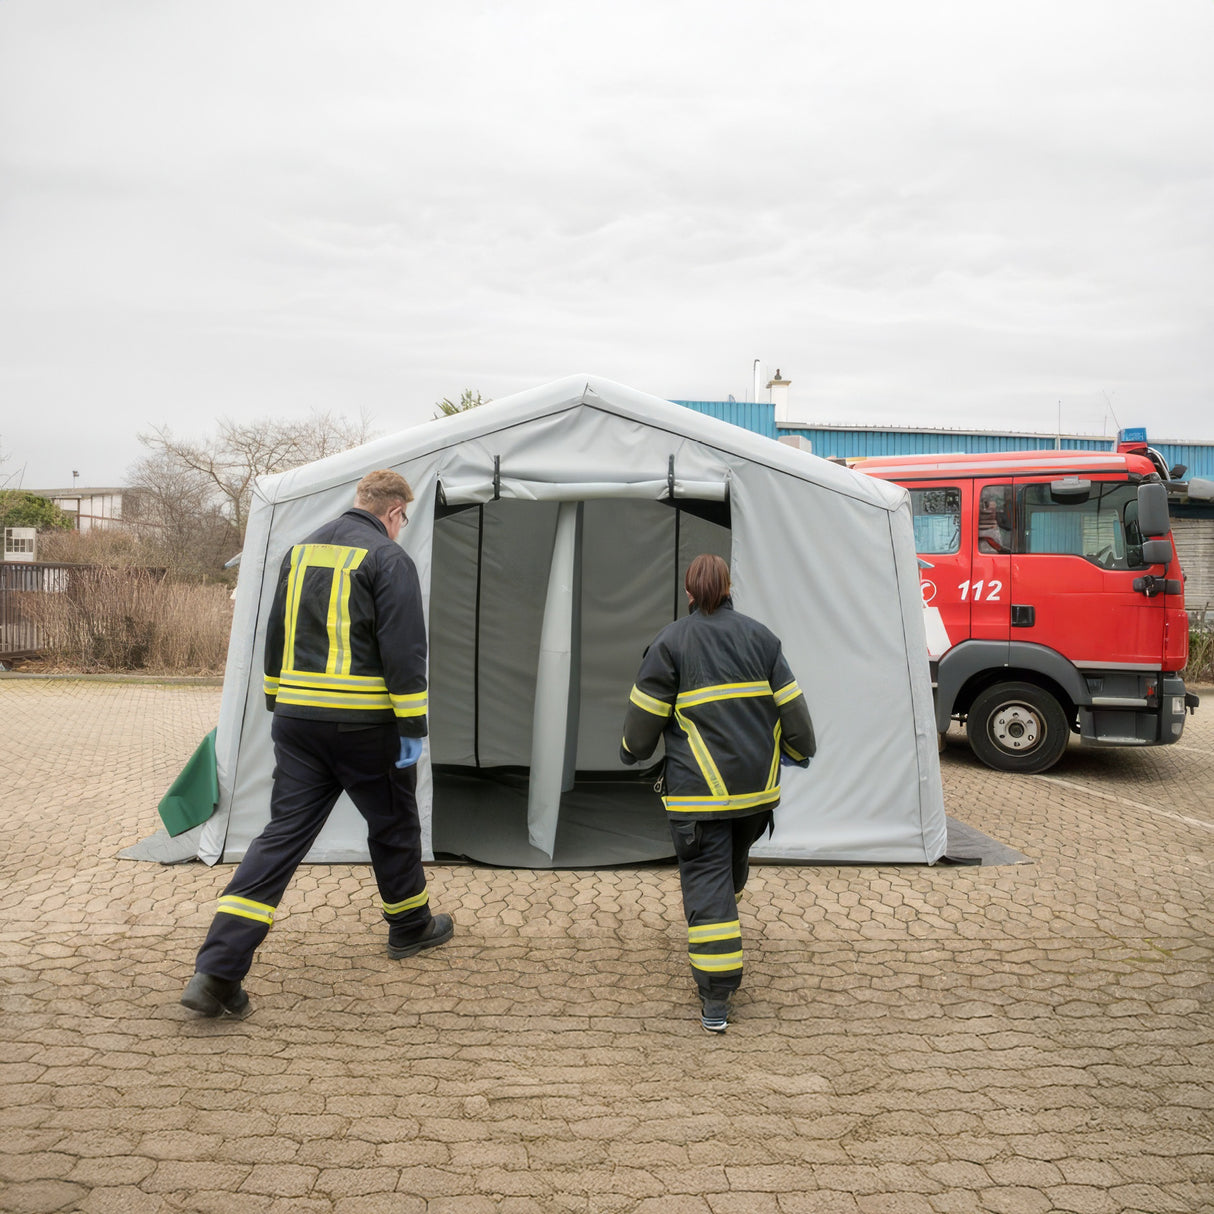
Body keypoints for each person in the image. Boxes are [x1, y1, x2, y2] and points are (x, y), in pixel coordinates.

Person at [181, 469, 453, 1018]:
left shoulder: (301, 551)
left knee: (279, 839)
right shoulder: (389, 559)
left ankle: (215, 973)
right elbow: (404, 654)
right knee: (395, 821)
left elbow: (276, 631)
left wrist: (279, 702)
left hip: (299, 725)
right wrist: (413, 729)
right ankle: (409, 926)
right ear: (397, 512)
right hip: (366, 727)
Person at [620, 554, 815, 1033]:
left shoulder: (670, 643)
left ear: (689, 592)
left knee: (707, 886)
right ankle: (722, 913)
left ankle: (716, 996)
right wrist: (801, 750)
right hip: (756, 794)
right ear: (729, 587)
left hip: (699, 798)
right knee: (730, 866)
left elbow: (643, 723)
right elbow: (793, 709)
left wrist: (631, 751)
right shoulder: (762, 639)